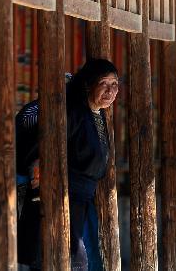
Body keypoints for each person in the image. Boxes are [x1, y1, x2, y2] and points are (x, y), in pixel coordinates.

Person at [16, 58, 121, 271]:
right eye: (104, 83)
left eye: (115, 85)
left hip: (82, 203)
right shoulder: (73, 112)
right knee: (66, 260)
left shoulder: (98, 114)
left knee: (81, 261)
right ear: (88, 84)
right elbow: (44, 142)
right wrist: (38, 163)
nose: (110, 91)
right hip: (61, 200)